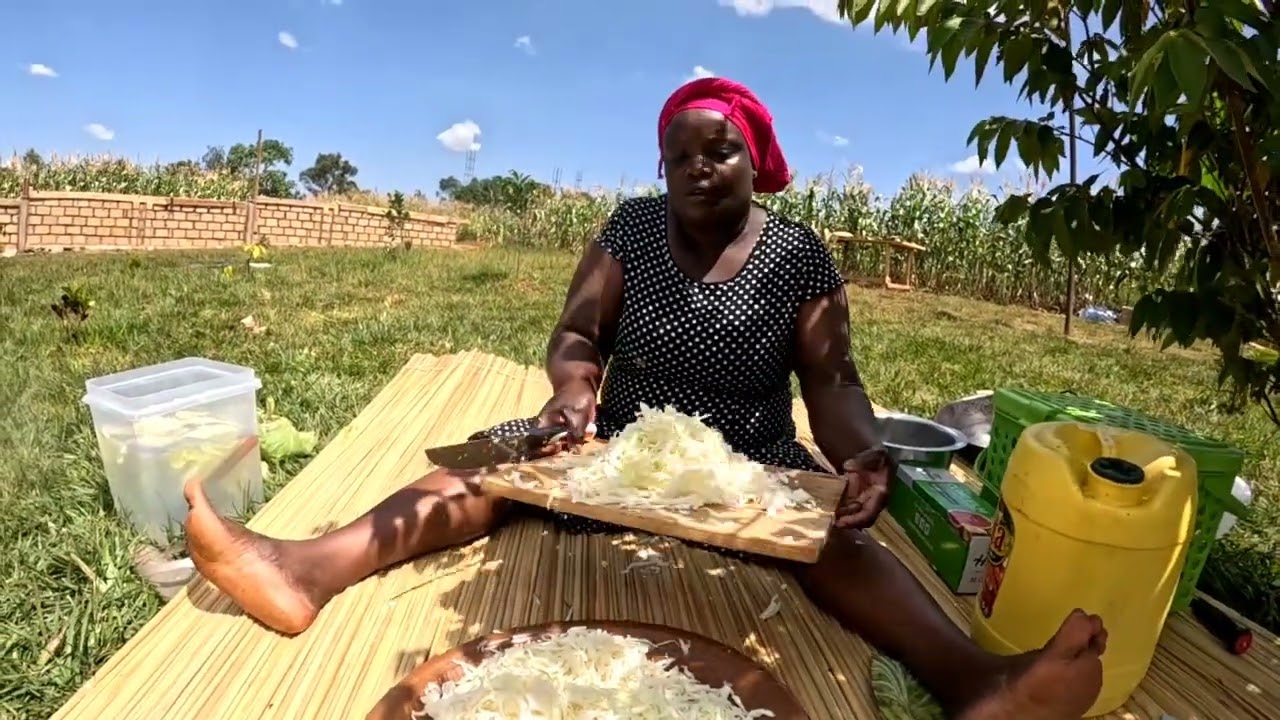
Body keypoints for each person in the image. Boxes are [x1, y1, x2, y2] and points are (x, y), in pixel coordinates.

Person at [184, 78, 1107, 719]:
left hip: (747, 461)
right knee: (494, 467)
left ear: (756, 162)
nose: (699, 167)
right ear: (660, 168)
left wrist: (859, 454)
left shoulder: (799, 256)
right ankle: (306, 569)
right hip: (623, 448)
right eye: (679, 156)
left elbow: (831, 380)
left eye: (720, 151)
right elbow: (579, 335)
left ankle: (975, 684)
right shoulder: (630, 229)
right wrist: (573, 398)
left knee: (838, 541)